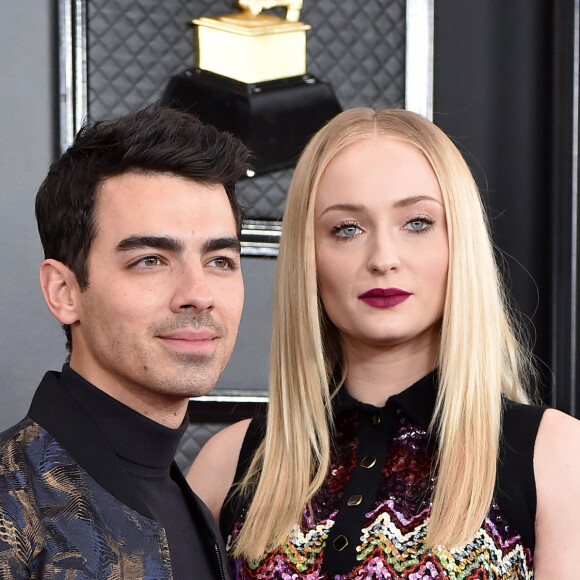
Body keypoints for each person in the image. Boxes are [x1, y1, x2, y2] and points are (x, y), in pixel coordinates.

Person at [188, 107, 580, 578]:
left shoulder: (556, 457)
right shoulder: (228, 465)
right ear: (308, 256)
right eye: (346, 229)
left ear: (460, 242)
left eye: (417, 223)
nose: (383, 258)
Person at [0, 104, 251, 579]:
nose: (198, 295)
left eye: (219, 260)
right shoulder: (12, 505)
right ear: (64, 291)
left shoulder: (197, 512)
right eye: (151, 260)